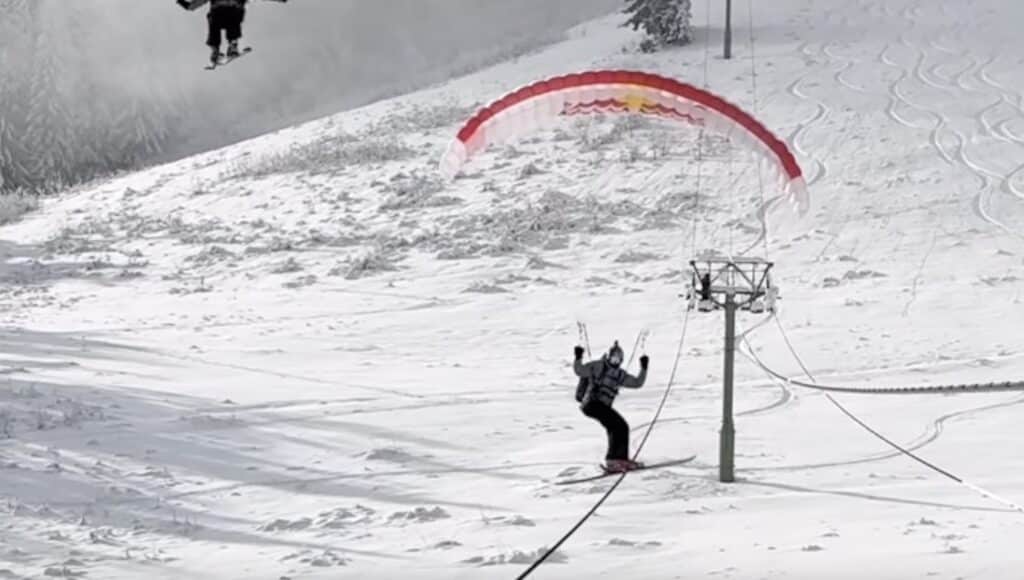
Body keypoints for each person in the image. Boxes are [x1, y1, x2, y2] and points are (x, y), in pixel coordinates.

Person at [574, 341, 649, 473]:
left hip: (602, 406)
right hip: (591, 403)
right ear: (609, 357)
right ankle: (614, 460)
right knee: (617, 425)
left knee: (621, 426)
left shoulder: (620, 374)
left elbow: (637, 383)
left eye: (618, 359)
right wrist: (578, 356)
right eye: (613, 358)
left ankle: (620, 459)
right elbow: (579, 370)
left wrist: (643, 368)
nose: (615, 361)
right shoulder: (598, 366)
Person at [176, 0, 252, 65]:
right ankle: (232, 44)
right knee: (233, 14)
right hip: (232, 13)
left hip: (219, 14)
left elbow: (192, 6)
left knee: (214, 18)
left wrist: (182, 3)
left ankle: (216, 50)